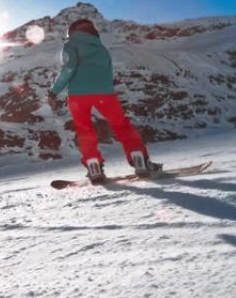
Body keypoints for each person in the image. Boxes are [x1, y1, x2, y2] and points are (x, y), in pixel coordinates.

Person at [47, 19, 162, 184]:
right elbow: (108, 74)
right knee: (122, 125)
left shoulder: (70, 45)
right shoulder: (101, 49)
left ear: (71, 32)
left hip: (78, 96)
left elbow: (68, 68)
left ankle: (94, 167)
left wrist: (53, 92)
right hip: (105, 94)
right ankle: (140, 159)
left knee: (84, 130)